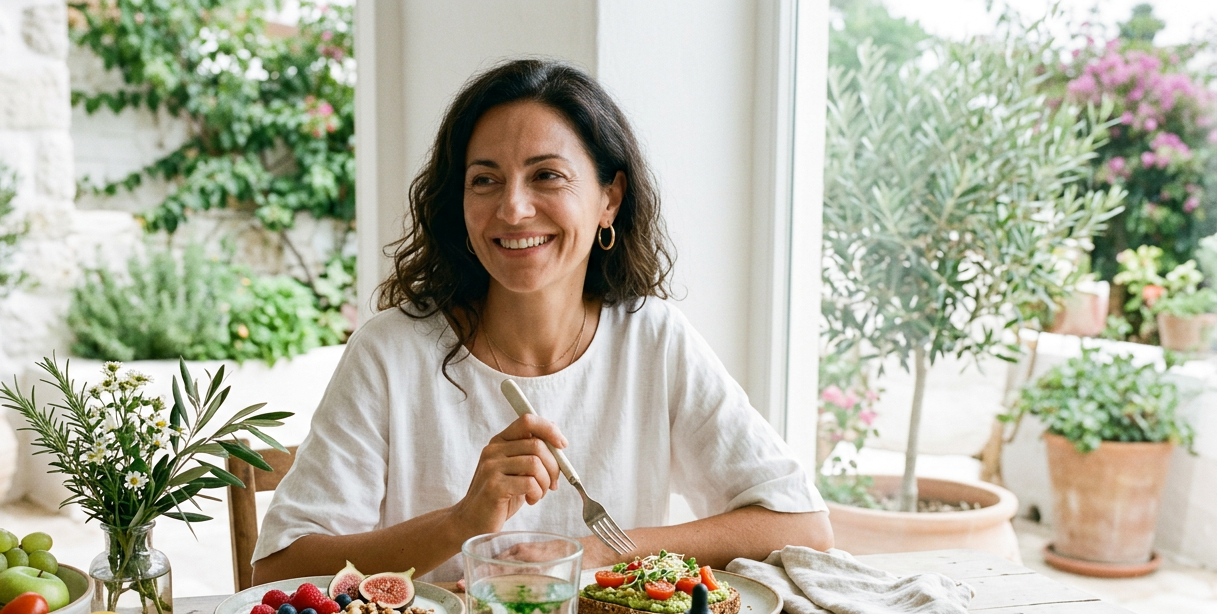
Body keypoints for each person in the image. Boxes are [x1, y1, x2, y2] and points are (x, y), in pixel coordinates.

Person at [253, 59, 830, 584]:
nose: (512, 208)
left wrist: (605, 550)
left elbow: (803, 527)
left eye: (546, 175)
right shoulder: (390, 351)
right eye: (484, 180)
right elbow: (278, 568)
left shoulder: (653, 339)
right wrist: (460, 523)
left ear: (610, 198)